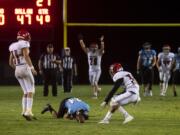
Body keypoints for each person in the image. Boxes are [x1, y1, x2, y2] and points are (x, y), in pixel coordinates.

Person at [9, 29, 37, 121]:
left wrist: (17, 68)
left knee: (25, 91)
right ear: (25, 36)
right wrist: (32, 68)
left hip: (17, 69)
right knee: (30, 90)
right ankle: (28, 111)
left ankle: (24, 111)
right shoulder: (24, 44)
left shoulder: (12, 46)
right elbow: (26, 56)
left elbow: (10, 62)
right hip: (25, 67)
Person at [79, 34, 105, 98]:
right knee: (92, 83)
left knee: (95, 81)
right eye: (93, 47)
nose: (94, 48)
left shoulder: (99, 52)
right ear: (91, 47)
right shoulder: (88, 51)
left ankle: (95, 94)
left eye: (95, 47)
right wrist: (81, 40)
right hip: (91, 70)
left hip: (97, 70)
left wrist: (102, 41)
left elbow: (102, 48)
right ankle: (98, 88)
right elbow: (83, 47)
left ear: (97, 47)